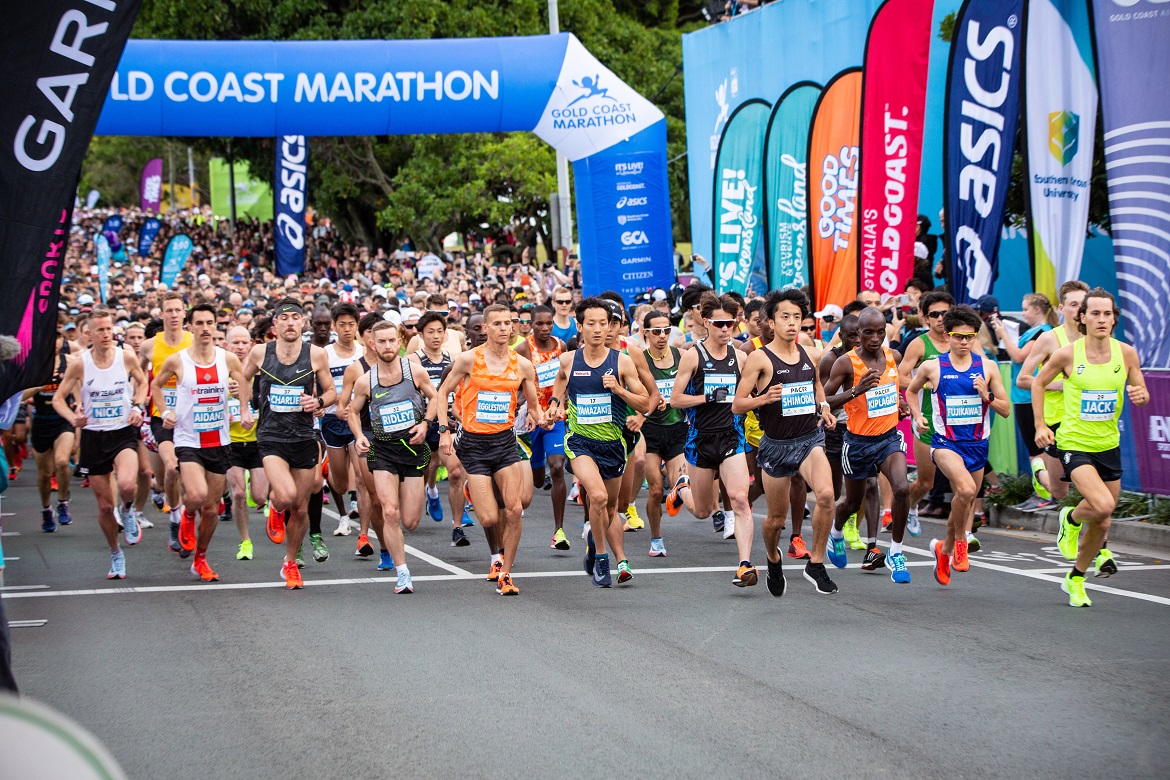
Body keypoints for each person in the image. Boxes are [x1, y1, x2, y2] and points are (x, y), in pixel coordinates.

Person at [1032, 288, 1149, 607]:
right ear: (1082, 317)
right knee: (1102, 505)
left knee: (1103, 520)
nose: (1101, 319)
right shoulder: (1068, 354)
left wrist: (1141, 396)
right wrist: (1041, 426)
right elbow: (1038, 382)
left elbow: (1140, 388)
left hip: (1108, 445)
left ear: (1114, 319)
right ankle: (1070, 517)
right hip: (1074, 443)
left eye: (1107, 314)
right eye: (1094, 313)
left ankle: (1076, 578)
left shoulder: (1126, 353)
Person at [733, 289, 839, 596]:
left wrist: (825, 407)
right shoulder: (759, 359)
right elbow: (738, 405)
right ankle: (773, 557)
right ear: (770, 322)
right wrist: (764, 398)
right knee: (775, 520)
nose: (792, 323)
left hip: (809, 439)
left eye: (797, 317)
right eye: (785, 317)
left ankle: (816, 563)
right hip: (776, 445)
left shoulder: (809, 352)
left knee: (827, 495)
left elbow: (817, 385)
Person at [432, 304, 543, 596]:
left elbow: (533, 404)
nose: (504, 328)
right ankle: (474, 491)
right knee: (490, 518)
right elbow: (442, 392)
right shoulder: (469, 360)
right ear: (486, 328)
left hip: (505, 442)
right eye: (497, 324)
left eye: (509, 323)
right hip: (474, 445)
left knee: (515, 508)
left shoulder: (522, 365)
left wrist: (540, 415)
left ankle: (505, 573)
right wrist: (444, 430)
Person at [547, 297, 650, 587]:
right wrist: (555, 403)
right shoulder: (569, 359)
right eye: (590, 323)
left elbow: (645, 402)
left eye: (603, 324)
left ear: (610, 327)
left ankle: (598, 545)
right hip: (580, 442)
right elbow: (560, 380)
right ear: (579, 326)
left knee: (611, 508)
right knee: (599, 497)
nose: (597, 329)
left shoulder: (622, 362)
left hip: (613, 445)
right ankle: (603, 559)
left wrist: (619, 390)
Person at [907, 305, 1009, 586]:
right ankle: (962, 540)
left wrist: (985, 394)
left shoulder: (987, 367)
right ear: (948, 336)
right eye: (958, 336)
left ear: (975, 337)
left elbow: (1005, 409)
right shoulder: (933, 366)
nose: (964, 342)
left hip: (977, 444)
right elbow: (911, 391)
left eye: (969, 337)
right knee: (964, 491)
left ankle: (945, 549)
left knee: (964, 500)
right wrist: (917, 416)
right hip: (944, 444)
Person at [151, 304, 253, 582]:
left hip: (219, 440)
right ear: (191, 327)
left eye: (211, 322)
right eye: (200, 323)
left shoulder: (228, 359)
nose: (206, 328)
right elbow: (156, 385)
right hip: (188, 440)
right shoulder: (178, 360)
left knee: (211, 510)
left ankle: (201, 558)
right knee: (196, 496)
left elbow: (244, 381)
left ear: (216, 327)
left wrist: (243, 408)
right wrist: (166, 412)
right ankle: (185, 515)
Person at [242, 298, 338, 589]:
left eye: (296, 317)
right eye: (284, 318)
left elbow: (332, 391)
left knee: (300, 508)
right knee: (285, 497)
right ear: (275, 326)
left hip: (304, 438)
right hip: (271, 436)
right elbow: (243, 378)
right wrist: (245, 407)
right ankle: (275, 506)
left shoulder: (316, 355)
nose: (290, 322)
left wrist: (319, 401)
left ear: (302, 323)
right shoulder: (260, 352)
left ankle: (290, 562)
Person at [51, 308, 149, 579]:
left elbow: (143, 384)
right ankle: (115, 553)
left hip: (122, 432)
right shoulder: (80, 363)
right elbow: (58, 399)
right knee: (105, 507)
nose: (107, 334)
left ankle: (128, 509)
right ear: (89, 334)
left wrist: (138, 406)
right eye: (101, 330)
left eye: (109, 329)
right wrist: (74, 418)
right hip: (94, 435)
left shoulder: (126, 357)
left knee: (128, 484)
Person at [670, 292, 757, 587]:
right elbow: (675, 400)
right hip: (700, 440)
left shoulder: (741, 357)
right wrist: (707, 397)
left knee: (740, 499)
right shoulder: (693, 356)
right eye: (719, 324)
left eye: (729, 324)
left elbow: (750, 394)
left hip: (731, 437)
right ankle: (682, 488)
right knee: (703, 511)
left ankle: (744, 565)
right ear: (706, 323)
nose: (724, 329)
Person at [823, 307, 913, 584]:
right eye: (868, 333)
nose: (875, 338)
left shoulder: (893, 356)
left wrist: (901, 405)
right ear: (857, 334)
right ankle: (836, 532)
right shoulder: (846, 364)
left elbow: (892, 390)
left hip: (888, 438)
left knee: (902, 488)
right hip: (857, 442)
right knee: (852, 501)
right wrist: (856, 391)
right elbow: (823, 400)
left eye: (880, 332)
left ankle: (895, 552)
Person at [348, 321, 437, 594]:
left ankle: (419, 503)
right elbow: (352, 411)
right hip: (382, 450)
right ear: (372, 344)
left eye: (391, 341)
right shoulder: (366, 381)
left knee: (410, 521)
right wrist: (358, 436)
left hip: (411, 450)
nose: (387, 346)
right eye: (381, 342)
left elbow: (436, 397)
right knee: (389, 512)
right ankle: (402, 573)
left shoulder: (415, 372)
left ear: (399, 340)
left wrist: (425, 424)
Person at [1016, 281, 1090, 514]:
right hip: (1057, 421)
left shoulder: (1097, 338)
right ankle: (1040, 471)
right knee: (1060, 492)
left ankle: (1101, 549)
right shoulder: (1050, 339)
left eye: (1083, 305)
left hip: (1088, 421)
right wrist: (1057, 385)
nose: (1079, 310)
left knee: (1096, 489)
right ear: (1061, 308)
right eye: (1073, 304)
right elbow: (1023, 379)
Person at [898, 291, 958, 537]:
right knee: (926, 482)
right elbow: (899, 376)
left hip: (958, 421)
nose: (941, 319)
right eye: (935, 314)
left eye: (945, 313)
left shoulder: (963, 341)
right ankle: (910, 504)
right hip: (927, 419)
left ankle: (963, 534)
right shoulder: (920, 344)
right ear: (925, 318)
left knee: (962, 483)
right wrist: (924, 383)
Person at [992, 293, 1058, 510]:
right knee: (1035, 448)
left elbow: (1019, 357)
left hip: (1030, 396)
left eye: (1026, 308)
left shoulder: (1043, 332)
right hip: (1021, 396)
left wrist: (1002, 334)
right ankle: (1041, 490)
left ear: (1037, 309)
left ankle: (1047, 493)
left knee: (1037, 448)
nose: (1023, 313)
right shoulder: (1033, 331)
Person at [408, 311, 469, 544]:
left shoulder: (454, 358)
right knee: (428, 465)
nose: (435, 336)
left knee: (455, 471)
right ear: (421, 335)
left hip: (449, 421)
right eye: (430, 332)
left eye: (439, 331)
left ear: (445, 334)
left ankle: (457, 528)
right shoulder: (413, 361)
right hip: (422, 421)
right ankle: (431, 491)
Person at [139, 292, 193, 556]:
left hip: (194, 418)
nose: (173, 315)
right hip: (162, 417)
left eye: (177, 310)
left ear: (185, 313)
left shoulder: (195, 341)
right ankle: (175, 519)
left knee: (190, 478)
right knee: (171, 469)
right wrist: (138, 399)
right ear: (161, 314)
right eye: (168, 310)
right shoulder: (149, 346)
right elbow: (139, 376)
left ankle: (186, 518)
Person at [513, 305, 569, 550]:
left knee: (558, 467)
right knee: (536, 481)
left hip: (554, 417)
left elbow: (564, 379)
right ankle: (537, 473)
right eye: (539, 324)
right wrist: (524, 407)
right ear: (531, 324)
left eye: (549, 323)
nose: (545, 328)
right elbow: (513, 383)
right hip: (531, 419)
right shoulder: (524, 348)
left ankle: (559, 531)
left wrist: (563, 401)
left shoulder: (561, 347)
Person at [645, 310, 698, 556]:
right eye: (656, 331)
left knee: (683, 484)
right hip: (649, 432)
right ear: (646, 333)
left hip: (677, 430)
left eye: (666, 330)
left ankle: (676, 491)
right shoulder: (639, 361)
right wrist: (650, 403)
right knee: (655, 490)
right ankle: (656, 539)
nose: (662, 336)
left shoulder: (682, 356)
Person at [224, 325, 268, 561]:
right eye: (235, 343)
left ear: (251, 345)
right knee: (239, 493)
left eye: (244, 343)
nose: (240, 347)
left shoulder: (261, 373)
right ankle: (245, 541)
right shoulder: (219, 371)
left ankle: (258, 489)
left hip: (257, 442)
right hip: (230, 442)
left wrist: (247, 393)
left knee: (260, 497)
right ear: (226, 345)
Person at [320, 302, 364, 536]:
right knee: (339, 481)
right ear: (334, 326)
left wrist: (355, 406)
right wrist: (327, 403)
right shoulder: (324, 354)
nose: (347, 329)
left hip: (357, 420)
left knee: (361, 474)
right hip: (332, 419)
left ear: (357, 325)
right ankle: (343, 516)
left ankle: (364, 528)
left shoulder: (364, 351)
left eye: (351, 324)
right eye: (342, 325)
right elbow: (321, 387)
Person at [25, 336, 75, 532]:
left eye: (57, 337)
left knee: (62, 461)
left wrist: (78, 406)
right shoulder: (34, 364)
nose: (52, 341)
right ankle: (46, 509)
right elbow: (21, 395)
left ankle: (63, 503)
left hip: (63, 419)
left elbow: (79, 385)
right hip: (41, 422)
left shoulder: (69, 362)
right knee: (45, 474)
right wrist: (39, 385)